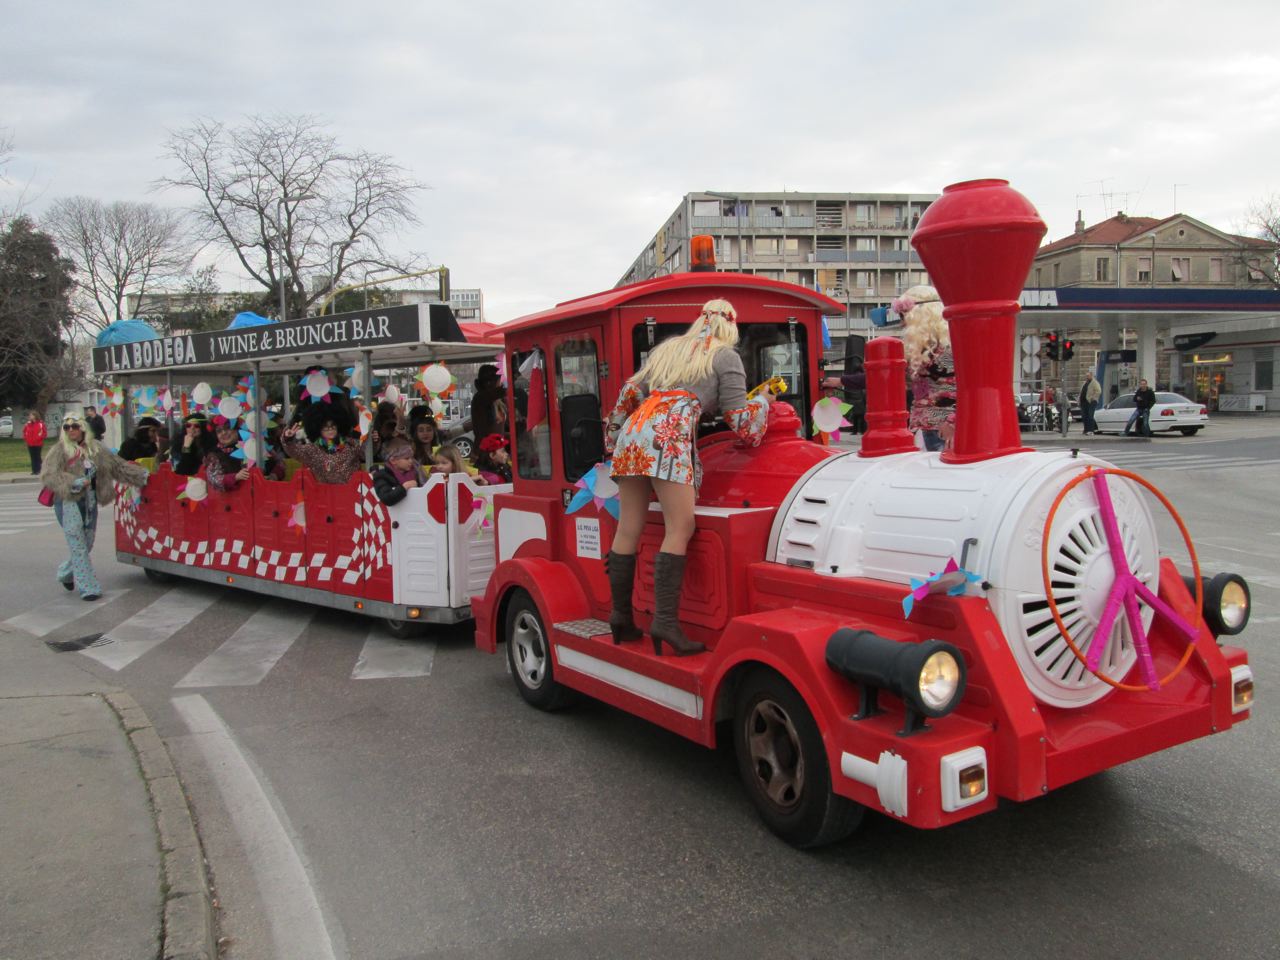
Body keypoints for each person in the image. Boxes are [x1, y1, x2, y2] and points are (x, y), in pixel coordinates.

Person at [604, 299, 772, 656]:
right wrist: (766, 403)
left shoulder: (668, 349)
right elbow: (740, 420)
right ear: (731, 328)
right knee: (680, 527)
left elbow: (628, 394)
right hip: (668, 432)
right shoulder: (725, 356)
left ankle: (620, 616)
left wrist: (613, 437)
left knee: (628, 527)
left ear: (700, 321)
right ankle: (665, 622)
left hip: (635, 432)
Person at [40, 413, 149, 600]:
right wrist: (74, 482)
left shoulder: (97, 449)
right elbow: (49, 475)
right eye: (66, 428)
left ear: (82, 427)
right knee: (78, 543)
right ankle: (88, 588)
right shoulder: (59, 450)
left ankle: (66, 573)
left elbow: (118, 467)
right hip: (67, 501)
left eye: (74, 426)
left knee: (87, 543)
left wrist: (143, 476)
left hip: (90, 501)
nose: (71, 430)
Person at [899, 286, 955, 451]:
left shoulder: (946, 350)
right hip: (928, 427)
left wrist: (952, 421)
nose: (902, 322)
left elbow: (966, 389)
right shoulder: (931, 349)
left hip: (941, 429)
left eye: (903, 315)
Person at [281, 402, 363, 483]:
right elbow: (293, 451)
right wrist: (288, 439)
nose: (330, 429)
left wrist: (375, 440)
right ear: (318, 429)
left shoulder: (350, 444)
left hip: (352, 493)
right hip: (325, 494)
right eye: (325, 427)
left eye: (333, 426)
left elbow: (368, 450)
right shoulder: (313, 450)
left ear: (338, 425)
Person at [372, 437, 428, 505]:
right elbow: (386, 498)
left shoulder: (416, 472)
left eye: (411, 457)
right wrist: (404, 488)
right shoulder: (382, 476)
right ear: (393, 460)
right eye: (406, 458)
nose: (411, 461)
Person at [469, 364, 507, 445]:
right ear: (491, 383)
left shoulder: (497, 401)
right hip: (485, 449)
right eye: (499, 381)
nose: (501, 384)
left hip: (496, 447)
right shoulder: (480, 398)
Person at [22, 411, 46, 475]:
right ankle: (34, 470)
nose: (30, 416)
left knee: (37, 457)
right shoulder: (28, 424)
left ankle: (40, 470)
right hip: (30, 443)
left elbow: (44, 433)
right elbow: (24, 432)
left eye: (31, 415)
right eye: (30, 415)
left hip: (38, 443)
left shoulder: (40, 423)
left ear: (35, 416)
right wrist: (26, 439)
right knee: (32, 457)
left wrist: (39, 438)